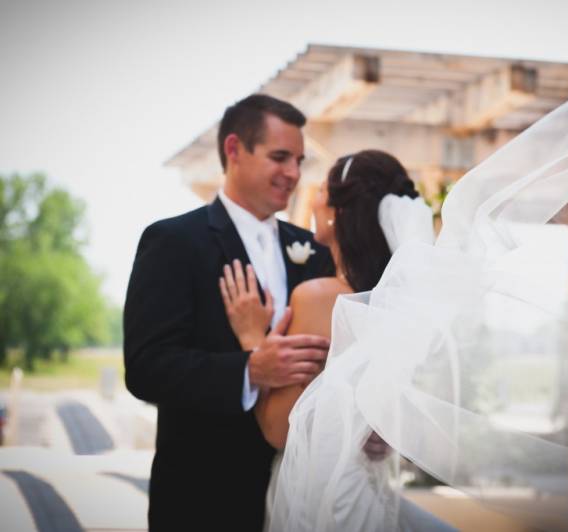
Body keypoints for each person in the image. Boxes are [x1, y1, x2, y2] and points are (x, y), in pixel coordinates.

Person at [123, 94, 334, 532]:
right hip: (202, 498)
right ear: (234, 150)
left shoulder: (314, 253)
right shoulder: (174, 242)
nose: (294, 174)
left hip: (302, 498)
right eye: (280, 157)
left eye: (299, 160)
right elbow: (146, 369)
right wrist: (249, 370)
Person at [220, 150, 452, 530]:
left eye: (321, 189)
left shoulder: (319, 297)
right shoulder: (394, 303)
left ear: (338, 210)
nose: (311, 196)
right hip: (363, 485)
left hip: (320, 491)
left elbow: (281, 431)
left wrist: (251, 339)